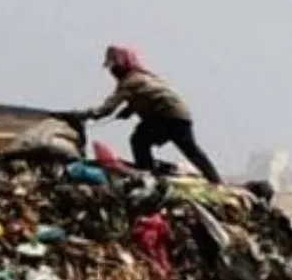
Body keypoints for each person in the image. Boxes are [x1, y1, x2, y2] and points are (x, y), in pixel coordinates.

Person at [82, 46, 221, 184]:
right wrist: (129, 110)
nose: (112, 71)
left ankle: (147, 174)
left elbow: (106, 109)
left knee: (139, 140)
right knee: (191, 150)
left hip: (165, 116)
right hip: (180, 115)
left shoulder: (129, 82)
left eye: (114, 67)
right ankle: (214, 179)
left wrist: (84, 115)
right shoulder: (145, 77)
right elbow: (149, 96)